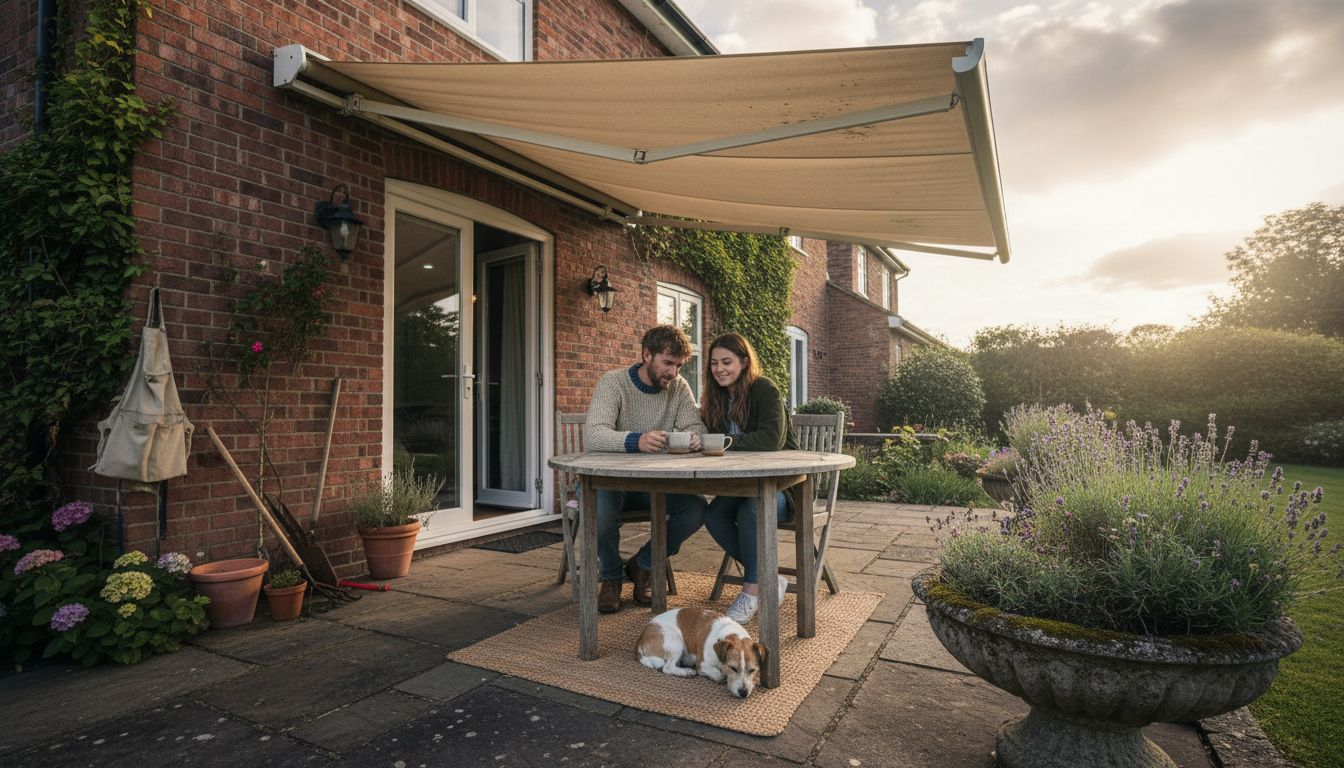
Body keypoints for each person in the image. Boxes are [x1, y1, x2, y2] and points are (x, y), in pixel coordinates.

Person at [585, 324, 707, 613]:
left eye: (678, 366)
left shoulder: (679, 387)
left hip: (653, 485)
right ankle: (611, 578)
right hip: (610, 482)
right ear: (646, 355)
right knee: (601, 510)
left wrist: (694, 438)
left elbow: (696, 427)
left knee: (696, 508)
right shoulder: (613, 383)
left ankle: (643, 565)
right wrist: (635, 440)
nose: (673, 372)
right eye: (668, 363)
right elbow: (593, 435)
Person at [699, 332, 797, 624]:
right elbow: (708, 438)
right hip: (740, 485)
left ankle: (752, 591)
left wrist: (722, 441)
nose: (719, 369)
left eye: (726, 362)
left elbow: (770, 440)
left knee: (752, 510)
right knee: (713, 515)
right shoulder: (716, 397)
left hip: (784, 486)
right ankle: (770, 577)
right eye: (714, 363)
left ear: (744, 362)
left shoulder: (764, 390)